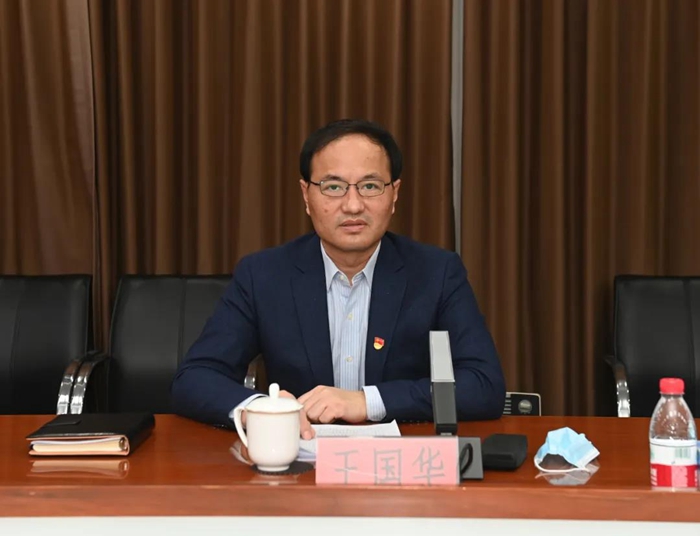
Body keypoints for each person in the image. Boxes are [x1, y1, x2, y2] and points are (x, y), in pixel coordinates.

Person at [171, 119, 505, 438]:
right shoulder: (264, 275)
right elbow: (195, 378)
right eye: (333, 187)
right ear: (306, 195)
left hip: (398, 466)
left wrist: (367, 401)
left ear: (394, 194)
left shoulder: (437, 273)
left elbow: (484, 385)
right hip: (300, 461)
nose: (353, 205)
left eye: (370, 186)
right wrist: (261, 408)